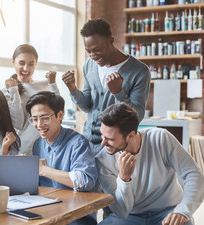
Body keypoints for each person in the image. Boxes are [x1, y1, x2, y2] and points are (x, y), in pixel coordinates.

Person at [84, 102, 204, 225]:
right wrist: (124, 180)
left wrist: (183, 211)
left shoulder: (160, 138)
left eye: (110, 139)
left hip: (168, 211)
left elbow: (194, 174)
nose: (103, 143)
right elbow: (121, 211)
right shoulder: (103, 160)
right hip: (128, 217)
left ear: (130, 135)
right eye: (102, 136)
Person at [62, 18, 150, 155]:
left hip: (114, 147)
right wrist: (73, 89)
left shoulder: (139, 71)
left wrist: (118, 92)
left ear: (111, 40)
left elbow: (138, 115)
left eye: (97, 50)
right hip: (87, 143)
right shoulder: (89, 65)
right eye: (88, 51)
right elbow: (87, 106)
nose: (92, 56)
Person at [26, 91, 98, 225]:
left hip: (75, 220)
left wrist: (44, 170)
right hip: (45, 216)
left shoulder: (77, 143)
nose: (39, 125)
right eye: (34, 119)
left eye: (45, 118)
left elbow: (85, 181)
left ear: (60, 115)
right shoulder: (38, 145)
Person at [2, 44, 60, 154]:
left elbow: (59, 112)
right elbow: (18, 124)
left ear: (36, 64)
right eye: (21, 63)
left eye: (31, 64)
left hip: (48, 148)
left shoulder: (44, 85)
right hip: (23, 149)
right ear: (13, 62)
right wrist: (14, 90)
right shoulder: (7, 90)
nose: (26, 68)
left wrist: (53, 84)